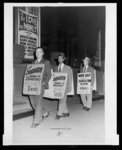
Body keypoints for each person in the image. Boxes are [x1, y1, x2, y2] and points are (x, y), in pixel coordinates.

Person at [29, 47, 51, 128]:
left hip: (41, 85)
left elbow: (49, 74)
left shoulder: (46, 62)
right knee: (32, 101)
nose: (38, 53)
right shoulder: (33, 62)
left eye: (40, 52)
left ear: (42, 53)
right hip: (32, 85)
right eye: (36, 52)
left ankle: (37, 121)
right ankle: (44, 113)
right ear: (35, 54)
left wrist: (45, 82)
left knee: (38, 102)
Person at [54, 52, 73, 120]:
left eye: (61, 58)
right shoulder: (56, 68)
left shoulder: (68, 68)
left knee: (62, 100)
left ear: (64, 59)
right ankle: (66, 112)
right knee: (61, 99)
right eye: (58, 59)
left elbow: (70, 78)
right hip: (58, 87)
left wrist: (70, 87)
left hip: (65, 87)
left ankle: (59, 114)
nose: (59, 60)